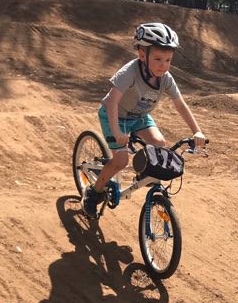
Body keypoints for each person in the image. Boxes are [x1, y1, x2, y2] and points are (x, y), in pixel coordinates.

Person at [82, 22, 207, 218]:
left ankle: (142, 177)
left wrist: (196, 131)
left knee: (159, 144)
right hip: (116, 114)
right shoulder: (129, 73)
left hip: (139, 117)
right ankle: (93, 192)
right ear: (142, 55)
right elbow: (113, 102)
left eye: (168, 60)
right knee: (121, 160)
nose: (163, 65)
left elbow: (181, 105)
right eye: (158, 59)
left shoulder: (165, 78)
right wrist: (116, 132)